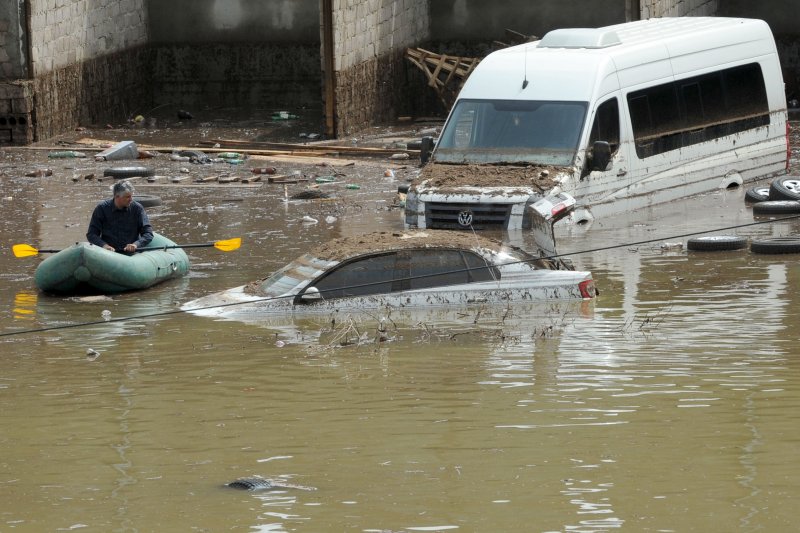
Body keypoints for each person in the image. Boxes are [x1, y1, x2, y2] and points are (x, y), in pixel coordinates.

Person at [86, 180, 153, 254]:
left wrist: (136, 245)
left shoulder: (137, 209)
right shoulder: (101, 209)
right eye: (127, 197)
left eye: (131, 196)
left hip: (132, 256)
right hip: (109, 254)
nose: (131, 199)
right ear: (117, 196)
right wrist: (104, 246)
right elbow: (92, 234)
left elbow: (148, 233)